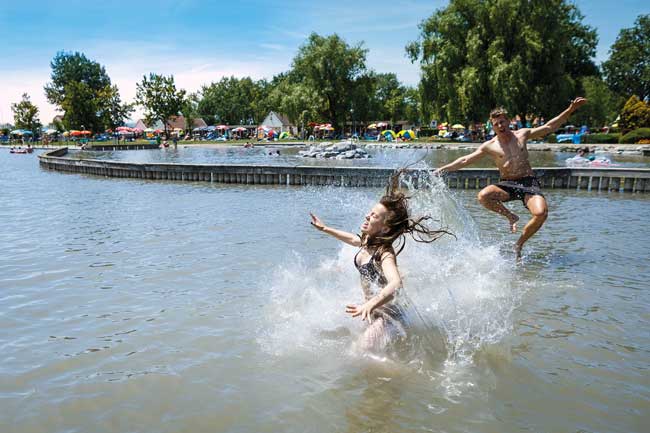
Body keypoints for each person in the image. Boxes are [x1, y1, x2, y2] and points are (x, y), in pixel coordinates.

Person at [309, 170, 452, 353]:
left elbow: (396, 284)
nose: (367, 216)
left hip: (389, 315)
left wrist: (369, 304)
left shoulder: (385, 253)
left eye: (374, 216)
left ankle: (400, 375)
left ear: (384, 228)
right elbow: (353, 239)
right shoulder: (367, 241)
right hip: (373, 310)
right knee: (354, 345)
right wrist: (325, 228)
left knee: (361, 350)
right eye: (370, 213)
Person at [434, 97, 587, 259]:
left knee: (541, 213)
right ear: (492, 127)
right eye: (496, 124)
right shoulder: (490, 146)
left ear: (508, 121)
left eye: (502, 122)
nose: (500, 126)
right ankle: (511, 216)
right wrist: (442, 170)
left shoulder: (522, 135)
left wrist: (570, 110)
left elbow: (549, 127)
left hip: (528, 182)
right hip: (507, 184)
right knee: (483, 196)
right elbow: (465, 160)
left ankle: (519, 243)